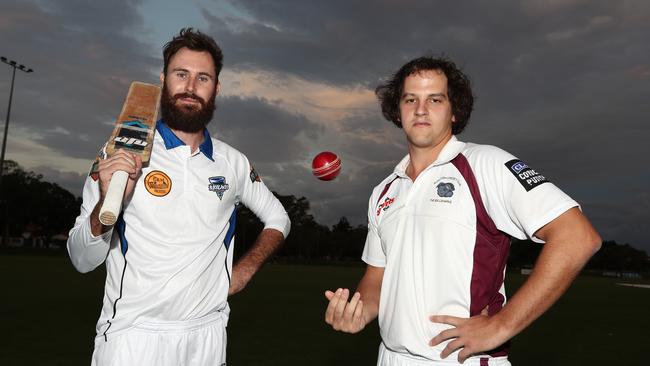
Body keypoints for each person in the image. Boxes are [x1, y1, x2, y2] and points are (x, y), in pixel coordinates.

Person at [324, 56, 601, 365]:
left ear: (454, 111)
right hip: (389, 357)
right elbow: (376, 278)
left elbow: (577, 237)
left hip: (461, 360)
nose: (420, 109)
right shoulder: (385, 191)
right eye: (410, 99)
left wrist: (501, 325)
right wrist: (358, 311)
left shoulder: (486, 164)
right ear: (398, 111)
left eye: (435, 99)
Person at [67, 28, 290, 366]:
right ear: (163, 80)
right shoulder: (119, 153)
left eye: (203, 78)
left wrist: (243, 271)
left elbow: (279, 218)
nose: (190, 87)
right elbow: (81, 259)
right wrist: (104, 205)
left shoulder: (233, 162)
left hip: (207, 335)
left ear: (216, 88)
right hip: (133, 337)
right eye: (181, 74)